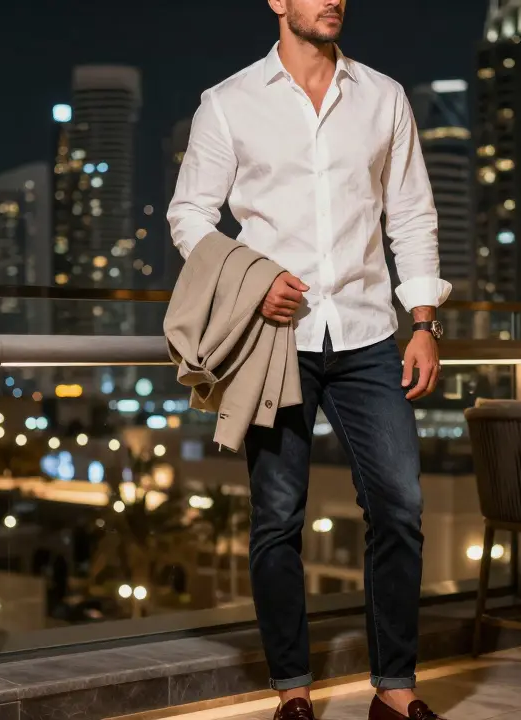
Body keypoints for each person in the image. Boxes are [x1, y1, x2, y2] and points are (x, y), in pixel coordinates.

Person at [167, 1, 450, 718]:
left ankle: (395, 689)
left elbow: (412, 213)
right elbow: (189, 215)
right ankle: (292, 691)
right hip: (275, 344)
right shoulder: (228, 104)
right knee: (278, 518)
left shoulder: (383, 97)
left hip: (366, 335)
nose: (334, 0)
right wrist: (253, 280)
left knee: (401, 508)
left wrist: (423, 320)